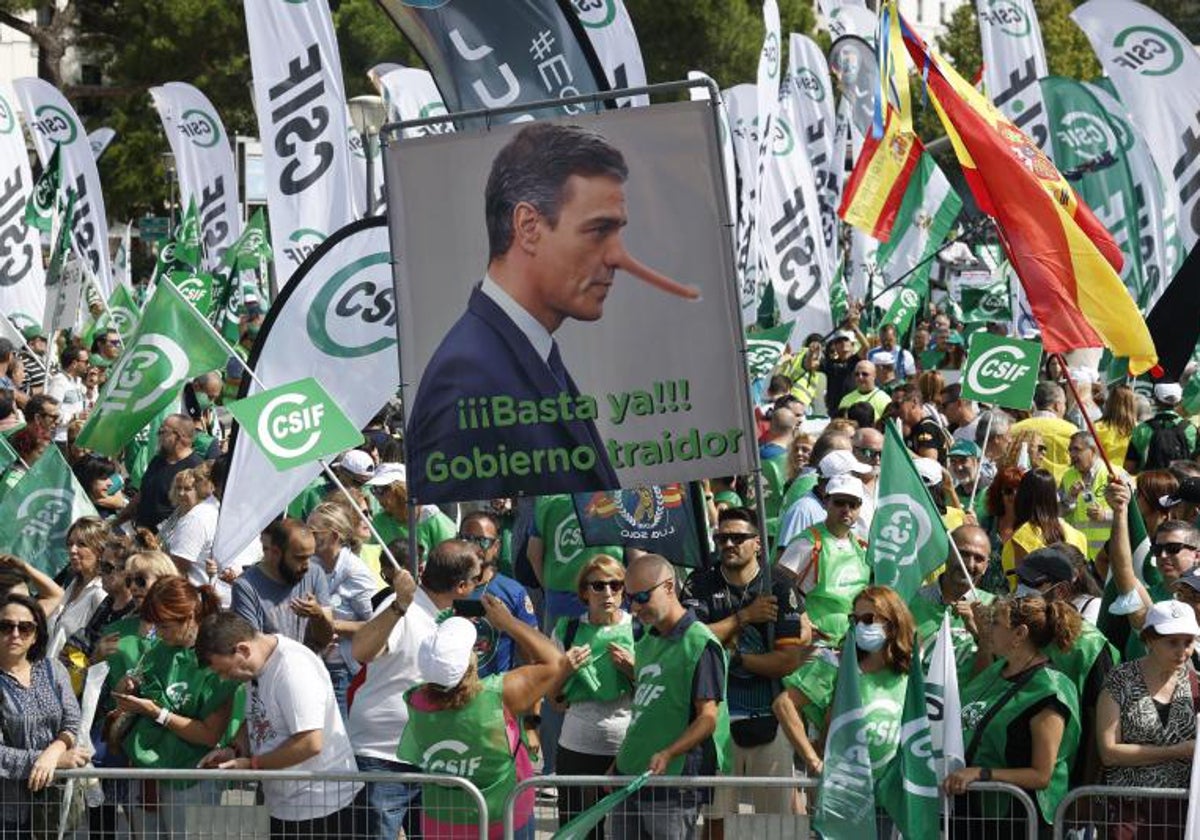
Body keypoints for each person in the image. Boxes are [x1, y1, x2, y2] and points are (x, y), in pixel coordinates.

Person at [407, 122, 649, 500]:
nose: (616, 256)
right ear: (528, 226)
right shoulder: (466, 375)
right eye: (598, 231)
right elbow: (459, 546)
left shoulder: (527, 350)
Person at [398, 602, 574, 840]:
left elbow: (444, 681)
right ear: (470, 662)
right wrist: (508, 622)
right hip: (504, 821)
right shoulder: (498, 695)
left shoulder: (416, 700)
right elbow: (556, 661)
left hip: (441, 823)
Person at [681, 507, 809, 820]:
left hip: (771, 718)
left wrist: (732, 655)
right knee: (715, 824)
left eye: (738, 537)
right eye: (722, 537)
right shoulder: (700, 583)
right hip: (715, 724)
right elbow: (687, 643)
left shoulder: (778, 585)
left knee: (776, 827)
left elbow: (786, 661)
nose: (729, 544)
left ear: (757, 544)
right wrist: (744, 618)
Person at [347, 544, 480, 840]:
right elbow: (362, 650)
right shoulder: (402, 606)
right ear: (461, 586)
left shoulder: (447, 619)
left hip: (431, 759)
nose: (477, 588)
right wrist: (398, 606)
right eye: (476, 581)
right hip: (382, 758)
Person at [196, 612, 365, 838]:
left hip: (320, 804)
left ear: (243, 649)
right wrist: (234, 749)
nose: (226, 678)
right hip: (285, 804)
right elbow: (256, 716)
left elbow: (310, 743)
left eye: (225, 671)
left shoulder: (293, 668)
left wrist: (252, 764)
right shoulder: (256, 667)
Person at [611, 554, 730, 839]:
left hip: (673, 782)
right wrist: (621, 761)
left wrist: (669, 752)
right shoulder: (647, 640)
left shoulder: (700, 643)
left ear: (668, 587)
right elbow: (646, 708)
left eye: (642, 596)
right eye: (630, 599)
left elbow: (708, 719)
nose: (636, 607)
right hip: (629, 774)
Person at [110, 579, 236, 838]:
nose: (158, 632)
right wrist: (127, 688)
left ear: (189, 617)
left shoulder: (217, 658)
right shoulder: (159, 649)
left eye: (164, 625)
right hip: (149, 774)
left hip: (193, 778)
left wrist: (158, 714)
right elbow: (132, 696)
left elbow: (210, 735)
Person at [946, 596, 1081, 837]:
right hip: (976, 813)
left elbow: (1041, 775)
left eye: (996, 623)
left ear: (1019, 634)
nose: (989, 629)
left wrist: (981, 773)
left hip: (1019, 820)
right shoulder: (999, 670)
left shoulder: (1050, 690)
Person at [774, 587, 913, 801]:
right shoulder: (835, 664)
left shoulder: (910, 671)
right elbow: (784, 705)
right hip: (841, 797)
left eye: (868, 619)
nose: (859, 626)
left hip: (893, 797)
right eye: (854, 619)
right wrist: (813, 761)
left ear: (893, 621)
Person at [1095, 601, 1197, 837]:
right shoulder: (1120, 680)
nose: (1183, 650)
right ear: (1149, 639)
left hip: (1182, 813)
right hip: (1126, 813)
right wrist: (1177, 751)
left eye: (1188, 642)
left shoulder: (1196, 684)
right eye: (1172, 642)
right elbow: (1109, 753)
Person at [549, 556, 634, 837]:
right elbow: (554, 700)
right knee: (579, 832)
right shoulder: (568, 630)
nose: (608, 593)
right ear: (584, 591)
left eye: (616, 585)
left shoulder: (641, 630)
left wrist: (633, 671)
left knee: (629, 831)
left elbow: (655, 694)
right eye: (598, 585)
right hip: (577, 748)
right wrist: (565, 670)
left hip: (628, 749)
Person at [0, 594, 90, 835]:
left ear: (36, 635)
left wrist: (54, 752)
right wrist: (49, 761)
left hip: (54, 804)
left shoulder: (53, 669)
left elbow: (72, 720)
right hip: (8, 811)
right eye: (6, 626)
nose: (15, 634)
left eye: (25, 627)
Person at [778, 474, 870, 642]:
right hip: (817, 644)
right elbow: (778, 584)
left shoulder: (861, 546)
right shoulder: (808, 541)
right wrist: (801, 620)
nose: (846, 509)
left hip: (853, 642)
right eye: (840, 502)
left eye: (853, 504)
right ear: (826, 502)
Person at [306, 502, 377, 719]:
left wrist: (327, 623)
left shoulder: (356, 572)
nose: (307, 538)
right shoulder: (310, 564)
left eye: (314, 533)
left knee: (340, 739)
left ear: (334, 536)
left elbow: (375, 627)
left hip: (342, 670)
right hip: (314, 664)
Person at [229, 518, 334, 651]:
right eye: (299, 558)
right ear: (276, 553)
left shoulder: (315, 573)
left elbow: (325, 640)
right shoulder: (246, 587)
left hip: (310, 668)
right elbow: (254, 648)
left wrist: (318, 616)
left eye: (310, 557)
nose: (307, 565)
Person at [911, 525, 996, 683]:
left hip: (964, 705)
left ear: (986, 566)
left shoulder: (995, 608)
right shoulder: (912, 600)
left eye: (979, 558)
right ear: (947, 551)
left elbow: (994, 676)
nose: (970, 565)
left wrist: (980, 635)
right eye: (963, 554)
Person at [460, 510, 539, 678]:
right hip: (450, 694)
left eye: (482, 541)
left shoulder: (512, 592)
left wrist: (509, 624)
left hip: (496, 696)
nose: (474, 547)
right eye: (467, 539)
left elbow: (532, 657)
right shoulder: (444, 588)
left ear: (496, 547)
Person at [49, 517, 109, 691]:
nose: (73, 550)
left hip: (69, 690)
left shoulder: (100, 594)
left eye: (82, 544)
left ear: (100, 549)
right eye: (70, 544)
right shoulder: (69, 585)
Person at [119, 414, 203, 532]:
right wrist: (118, 520)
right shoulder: (158, 460)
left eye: (162, 431)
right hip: (140, 534)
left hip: (163, 542)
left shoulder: (195, 468)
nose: (158, 435)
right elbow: (142, 494)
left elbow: (193, 510)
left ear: (178, 436)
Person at [1001, 468, 1088, 581]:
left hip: (1034, 597)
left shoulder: (1023, 536)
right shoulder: (1078, 536)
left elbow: (1023, 586)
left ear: (1023, 497)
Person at [1059, 431, 1113, 559]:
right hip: (1080, 556)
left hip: (1108, 556)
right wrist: (1070, 498)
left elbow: (1133, 513)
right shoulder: (1067, 476)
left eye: (1077, 450)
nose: (1072, 455)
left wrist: (1105, 515)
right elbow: (1059, 512)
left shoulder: (1113, 474)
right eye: (1070, 450)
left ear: (1093, 450)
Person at [1125, 381, 1198, 474]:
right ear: (1180, 401)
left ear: (1155, 399)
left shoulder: (1141, 429)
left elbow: (1129, 467)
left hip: (1149, 484)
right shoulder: (1190, 428)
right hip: (1182, 484)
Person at [1011, 382, 1079, 481]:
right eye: (1064, 404)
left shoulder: (1015, 429)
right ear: (1057, 405)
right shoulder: (1072, 431)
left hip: (1022, 487)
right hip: (1061, 489)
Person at [45, 346, 89, 443]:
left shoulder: (77, 381)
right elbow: (51, 413)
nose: (88, 365)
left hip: (75, 439)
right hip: (60, 439)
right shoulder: (59, 381)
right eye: (86, 362)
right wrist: (76, 416)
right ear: (74, 363)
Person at [0, 554, 64, 620]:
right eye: (20, 600)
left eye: (28, 600)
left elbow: (56, 595)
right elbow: (55, 595)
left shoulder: (28, 618)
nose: (28, 604)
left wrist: (24, 567)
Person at [1095, 384, 1138, 469]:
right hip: (1131, 479)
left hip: (1104, 477)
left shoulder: (1096, 428)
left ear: (1110, 402)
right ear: (1132, 404)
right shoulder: (1140, 430)